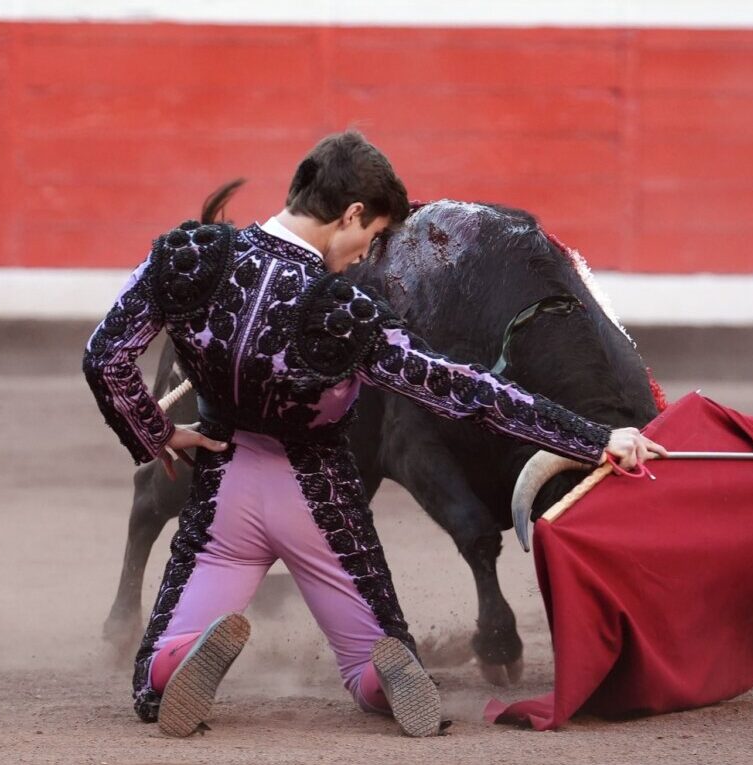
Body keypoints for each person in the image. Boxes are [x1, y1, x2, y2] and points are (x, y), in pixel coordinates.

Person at [82, 130, 666, 738]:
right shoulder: (346, 310)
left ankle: (176, 662)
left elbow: (104, 357)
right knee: (372, 656)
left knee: (156, 670)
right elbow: (466, 392)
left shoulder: (188, 256)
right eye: (374, 235)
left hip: (224, 497)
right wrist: (593, 439)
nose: (369, 252)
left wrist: (156, 432)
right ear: (352, 214)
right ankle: (379, 677)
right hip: (320, 504)